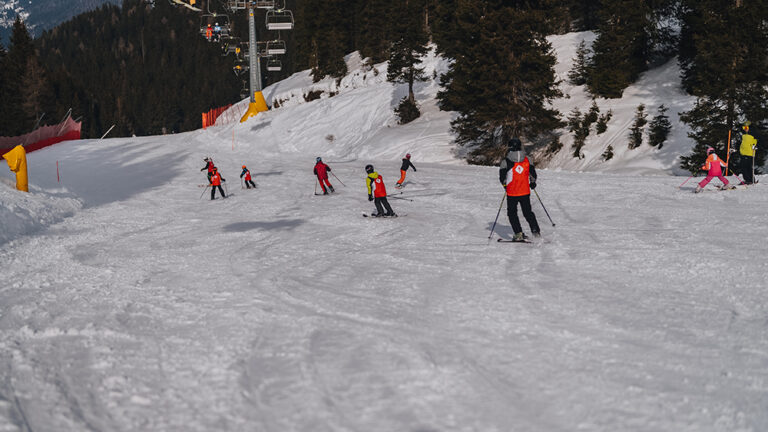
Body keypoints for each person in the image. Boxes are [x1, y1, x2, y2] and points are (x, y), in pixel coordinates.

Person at [499, 137, 540, 241]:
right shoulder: (528, 159)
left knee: (512, 214)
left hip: (512, 193)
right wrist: (533, 183)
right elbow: (533, 174)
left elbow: (502, 178)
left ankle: (518, 234)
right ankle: (536, 231)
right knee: (528, 212)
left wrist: (505, 186)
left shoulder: (505, 161)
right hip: (525, 191)